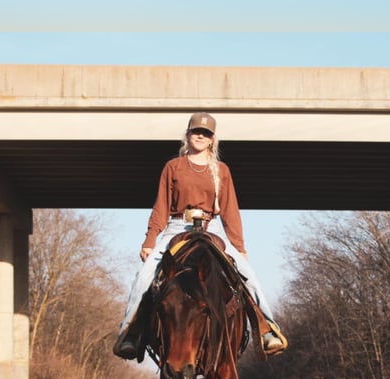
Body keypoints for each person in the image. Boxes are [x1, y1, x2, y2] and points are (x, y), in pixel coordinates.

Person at [113, 111, 287, 360]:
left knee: (249, 276)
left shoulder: (222, 170)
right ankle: (130, 334)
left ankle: (267, 329)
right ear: (188, 134)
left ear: (212, 140)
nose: (200, 136)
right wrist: (150, 241)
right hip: (177, 225)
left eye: (206, 134)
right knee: (144, 277)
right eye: (196, 131)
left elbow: (230, 211)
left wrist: (239, 246)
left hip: (211, 227)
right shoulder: (173, 167)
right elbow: (161, 206)